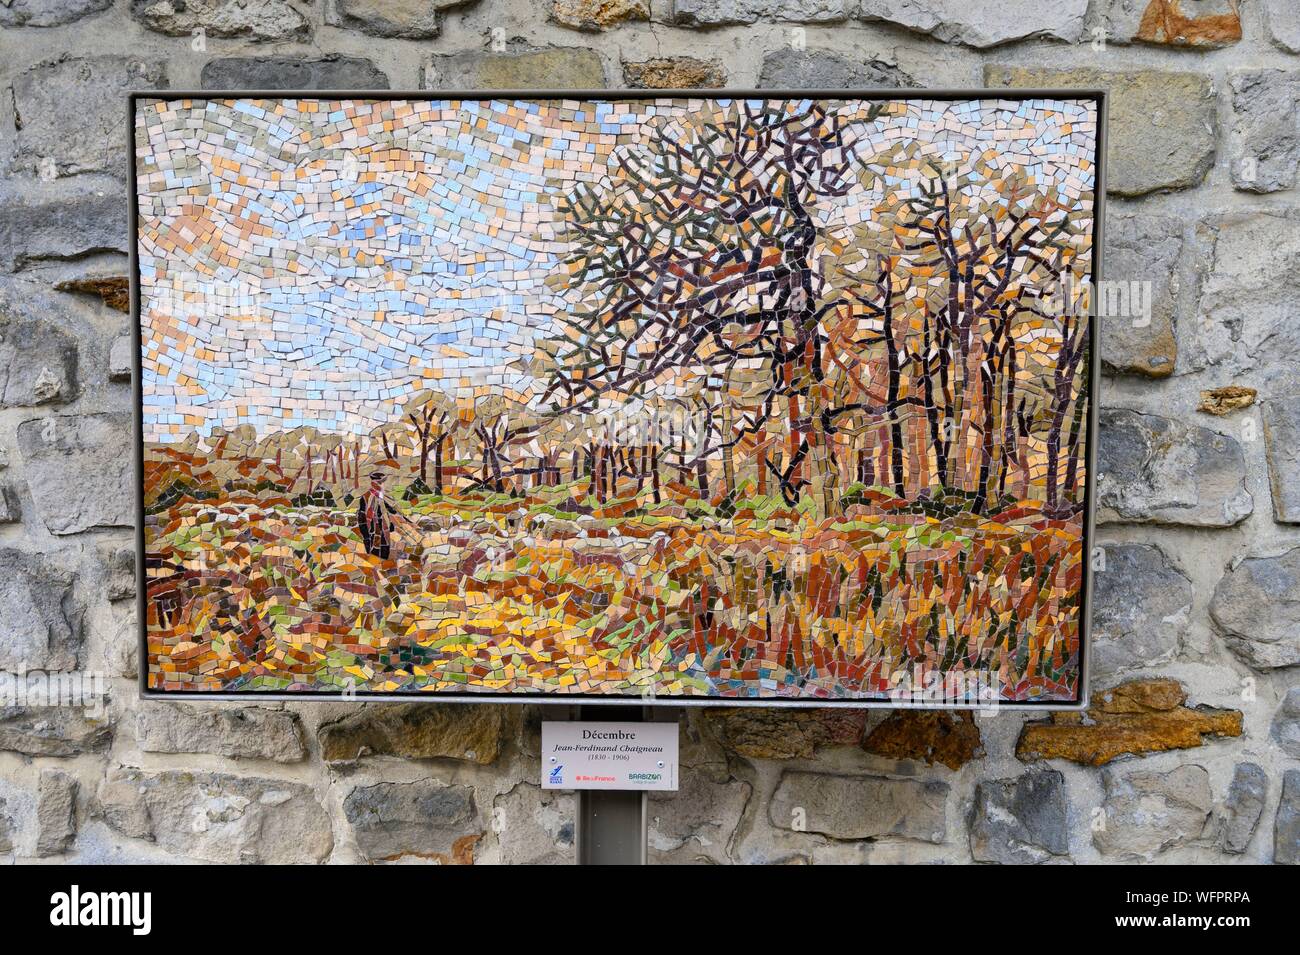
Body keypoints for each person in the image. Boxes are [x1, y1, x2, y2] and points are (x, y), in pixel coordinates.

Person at [356, 471, 409, 559]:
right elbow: (363, 515)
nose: (383, 486)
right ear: (376, 483)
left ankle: (381, 562)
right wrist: (367, 530)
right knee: (373, 549)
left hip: (382, 527)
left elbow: (387, 508)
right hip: (371, 528)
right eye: (382, 483)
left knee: (384, 548)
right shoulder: (367, 497)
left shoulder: (380, 495)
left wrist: (399, 516)